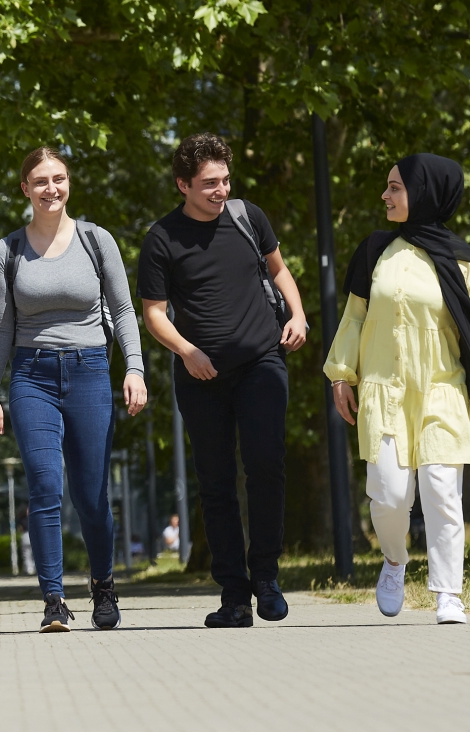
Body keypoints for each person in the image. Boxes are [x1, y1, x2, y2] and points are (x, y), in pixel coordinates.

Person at [326, 154, 470, 626]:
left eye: (395, 188)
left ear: (424, 192)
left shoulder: (465, 263)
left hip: (443, 391)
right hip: (384, 391)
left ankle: (449, 593)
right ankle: (394, 561)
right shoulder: (374, 252)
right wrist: (342, 374)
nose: (385, 196)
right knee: (388, 497)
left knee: (442, 493)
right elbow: (354, 318)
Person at [139, 133, 308, 628]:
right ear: (182, 185)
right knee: (216, 484)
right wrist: (187, 352)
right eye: (209, 183)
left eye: (225, 180)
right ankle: (234, 595)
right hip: (201, 374)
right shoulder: (162, 238)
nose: (220, 190)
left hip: (261, 361)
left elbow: (279, 272)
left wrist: (296, 315)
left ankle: (267, 578)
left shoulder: (247, 217)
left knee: (266, 468)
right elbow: (153, 313)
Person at [0, 147, 147, 632]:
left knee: (93, 493)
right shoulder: (7, 251)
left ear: (68, 182)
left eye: (59, 178)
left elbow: (123, 311)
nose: (51, 188)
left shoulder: (96, 240)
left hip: (91, 371)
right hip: (32, 376)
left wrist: (134, 369)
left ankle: (103, 586)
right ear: (25, 189)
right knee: (44, 486)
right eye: (40, 181)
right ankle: (54, 599)